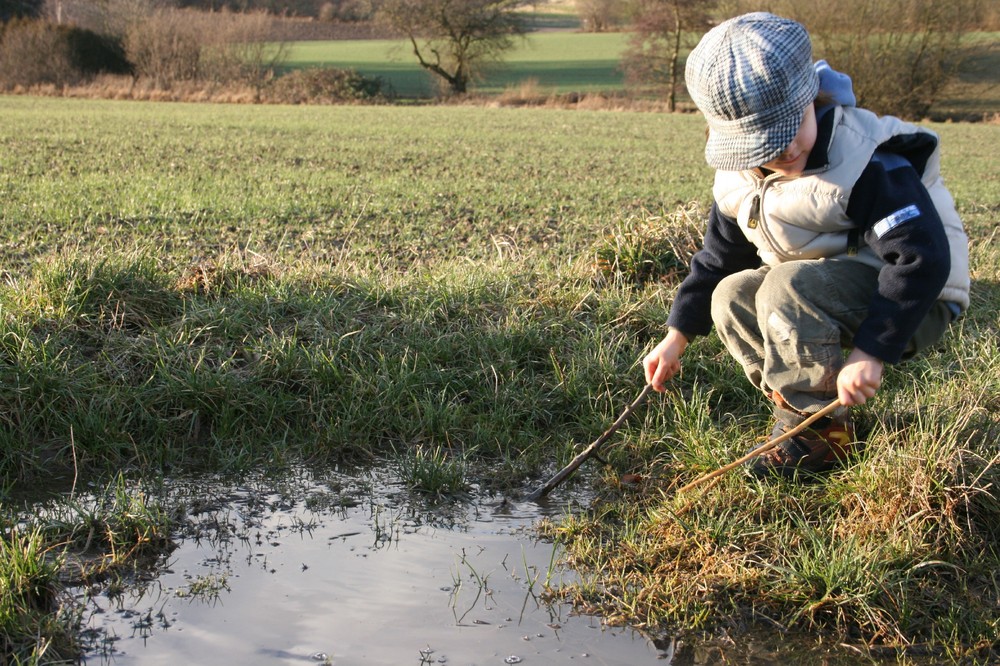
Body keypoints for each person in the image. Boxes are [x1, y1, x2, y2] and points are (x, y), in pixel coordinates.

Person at [642, 12, 970, 480]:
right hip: (821, 290)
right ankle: (811, 416)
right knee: (730, 296)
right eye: (765, 144)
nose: (786, 150)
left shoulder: (864, 162)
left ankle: (818, 440)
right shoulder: (739, 180)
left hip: (917, 298)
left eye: (792, 125)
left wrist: (870, 353)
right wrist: (676, 338)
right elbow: (717, 260)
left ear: (811, 98)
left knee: (785, 287)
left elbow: (922, 257)